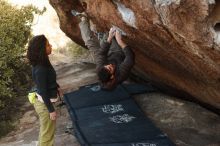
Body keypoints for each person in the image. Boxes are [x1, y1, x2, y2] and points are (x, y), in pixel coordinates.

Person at [74, 11, 135, 90]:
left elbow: (102, 54)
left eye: (106, 67)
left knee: (89, 42)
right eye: (110, 69)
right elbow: (130, 56)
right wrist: (120, 41)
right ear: (112, 76)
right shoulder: (121, 73)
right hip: (116, 54)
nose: (109, 66)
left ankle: (83, 19)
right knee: (112, 32)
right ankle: (101, 37)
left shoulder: (100, 69)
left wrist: (109, 39)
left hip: (104, 57)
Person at [27, 35, 62, 146]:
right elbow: (43, 91)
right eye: (47, 45)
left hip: (45, 103)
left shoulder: (44, 62)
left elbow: (49, 79)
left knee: (47, 132)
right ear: (42, 49)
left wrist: (57, 87)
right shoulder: (40, 69)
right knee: (47, 134)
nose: (50, 46)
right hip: (44, 105)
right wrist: (51, 110)